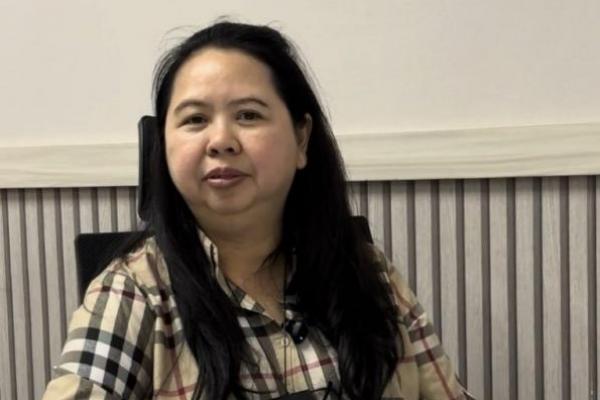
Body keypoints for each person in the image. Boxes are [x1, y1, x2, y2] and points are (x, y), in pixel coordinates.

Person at [44, 21, 471, 399]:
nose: (221, 141)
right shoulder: (134, 292)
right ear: (165, 146)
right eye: (195, 119)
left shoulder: (371, 275)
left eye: (248, 115)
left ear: (301, 139)